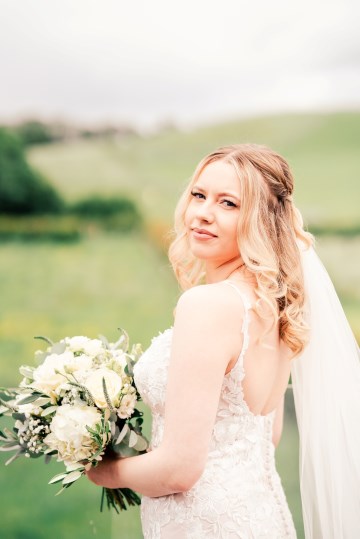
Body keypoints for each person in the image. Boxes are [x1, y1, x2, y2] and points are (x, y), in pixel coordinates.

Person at [87, 144, 360, 538]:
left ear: (261, 221)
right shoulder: (276, 305)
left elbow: (179, 469)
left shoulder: (209, 305)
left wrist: (102, 469)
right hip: (259, 516)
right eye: (199, 195)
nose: (203, 213)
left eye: (228, 203)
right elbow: (267, 434)